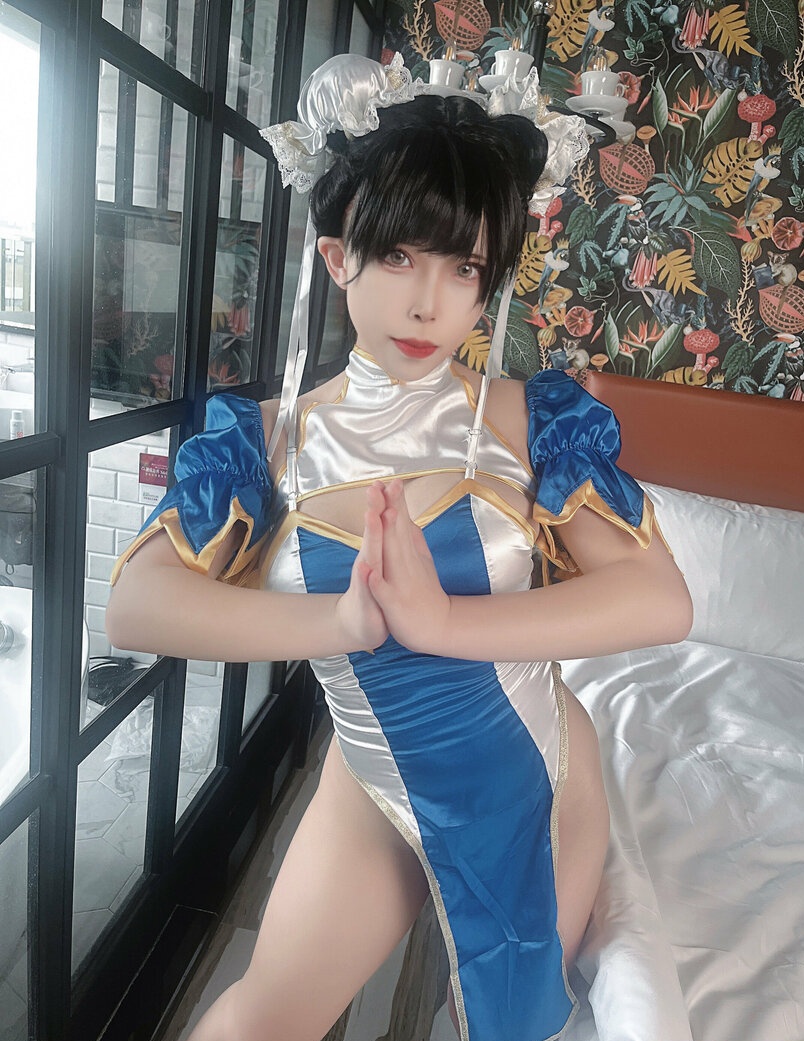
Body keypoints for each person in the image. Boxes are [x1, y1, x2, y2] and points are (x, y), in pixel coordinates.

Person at [106, 54, 692, 1041]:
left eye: (465, 268)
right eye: (400, 257)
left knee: (509, 1024)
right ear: (339, 257)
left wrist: (442, 621)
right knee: (259, 1021)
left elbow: (661, 598)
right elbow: (136, 605)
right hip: (374, 770)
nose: (431, 304)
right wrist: (342, 620)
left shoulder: (533, 422)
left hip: (531, 767)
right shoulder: (264, 441)